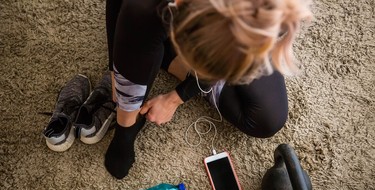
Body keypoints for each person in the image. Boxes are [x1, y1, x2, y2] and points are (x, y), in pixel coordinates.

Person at [104, 0, 312, 179]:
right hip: (149, 15)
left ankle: (163, 53)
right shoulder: (145, 8)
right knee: (136, 44)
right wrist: (118, 74)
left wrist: (175, 98)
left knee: (267, 119)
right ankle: (152, 52)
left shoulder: (273, 9)